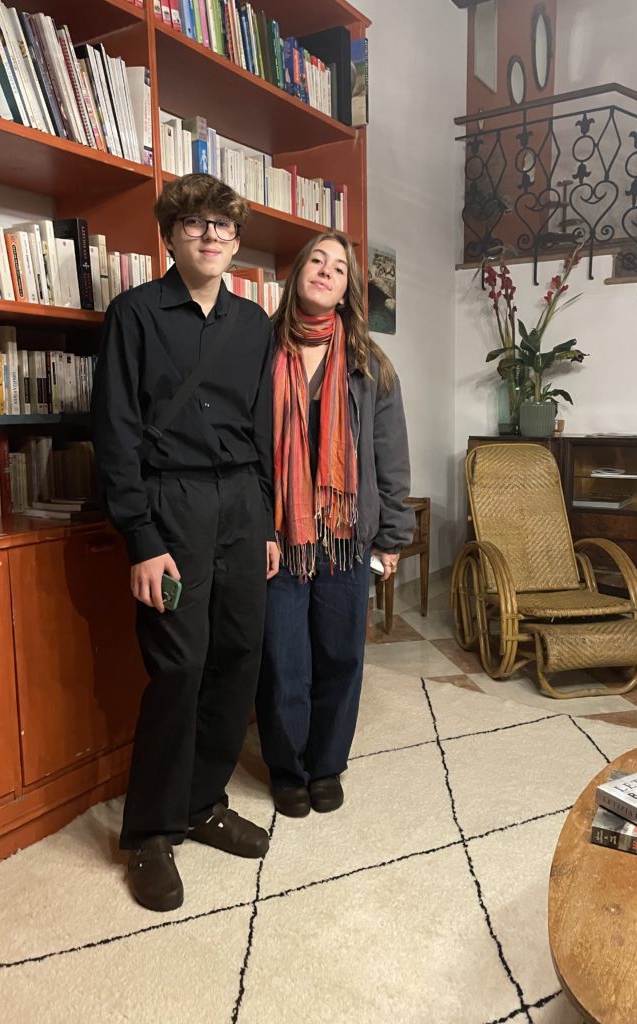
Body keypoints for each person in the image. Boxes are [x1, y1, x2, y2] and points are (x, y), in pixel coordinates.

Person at [91, 173, 280, 912]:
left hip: (241, 508)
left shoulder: (253, 324)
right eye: (195, 223)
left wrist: (266, 523)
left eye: (223, 226)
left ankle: (203, 803)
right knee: (179, 667)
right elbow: (115, 433)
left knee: (238, 657)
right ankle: (149, 833)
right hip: (171, 504)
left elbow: (261, 432)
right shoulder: (134, 314)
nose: (210, 235)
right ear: (170, 235)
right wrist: (140, 538)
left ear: (235, 242)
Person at [255, 230, 413, 818]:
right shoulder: (261, 351)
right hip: (281, 536)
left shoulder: (371, 365)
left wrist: (392, 537)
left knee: (340, 657)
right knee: (282, 660)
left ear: (347, 290)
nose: (325, 271)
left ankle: (326, 766)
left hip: (346, 538)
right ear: (297, 273)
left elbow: (390, 457)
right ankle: (287, 768)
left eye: (338, 268)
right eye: (316, 261)